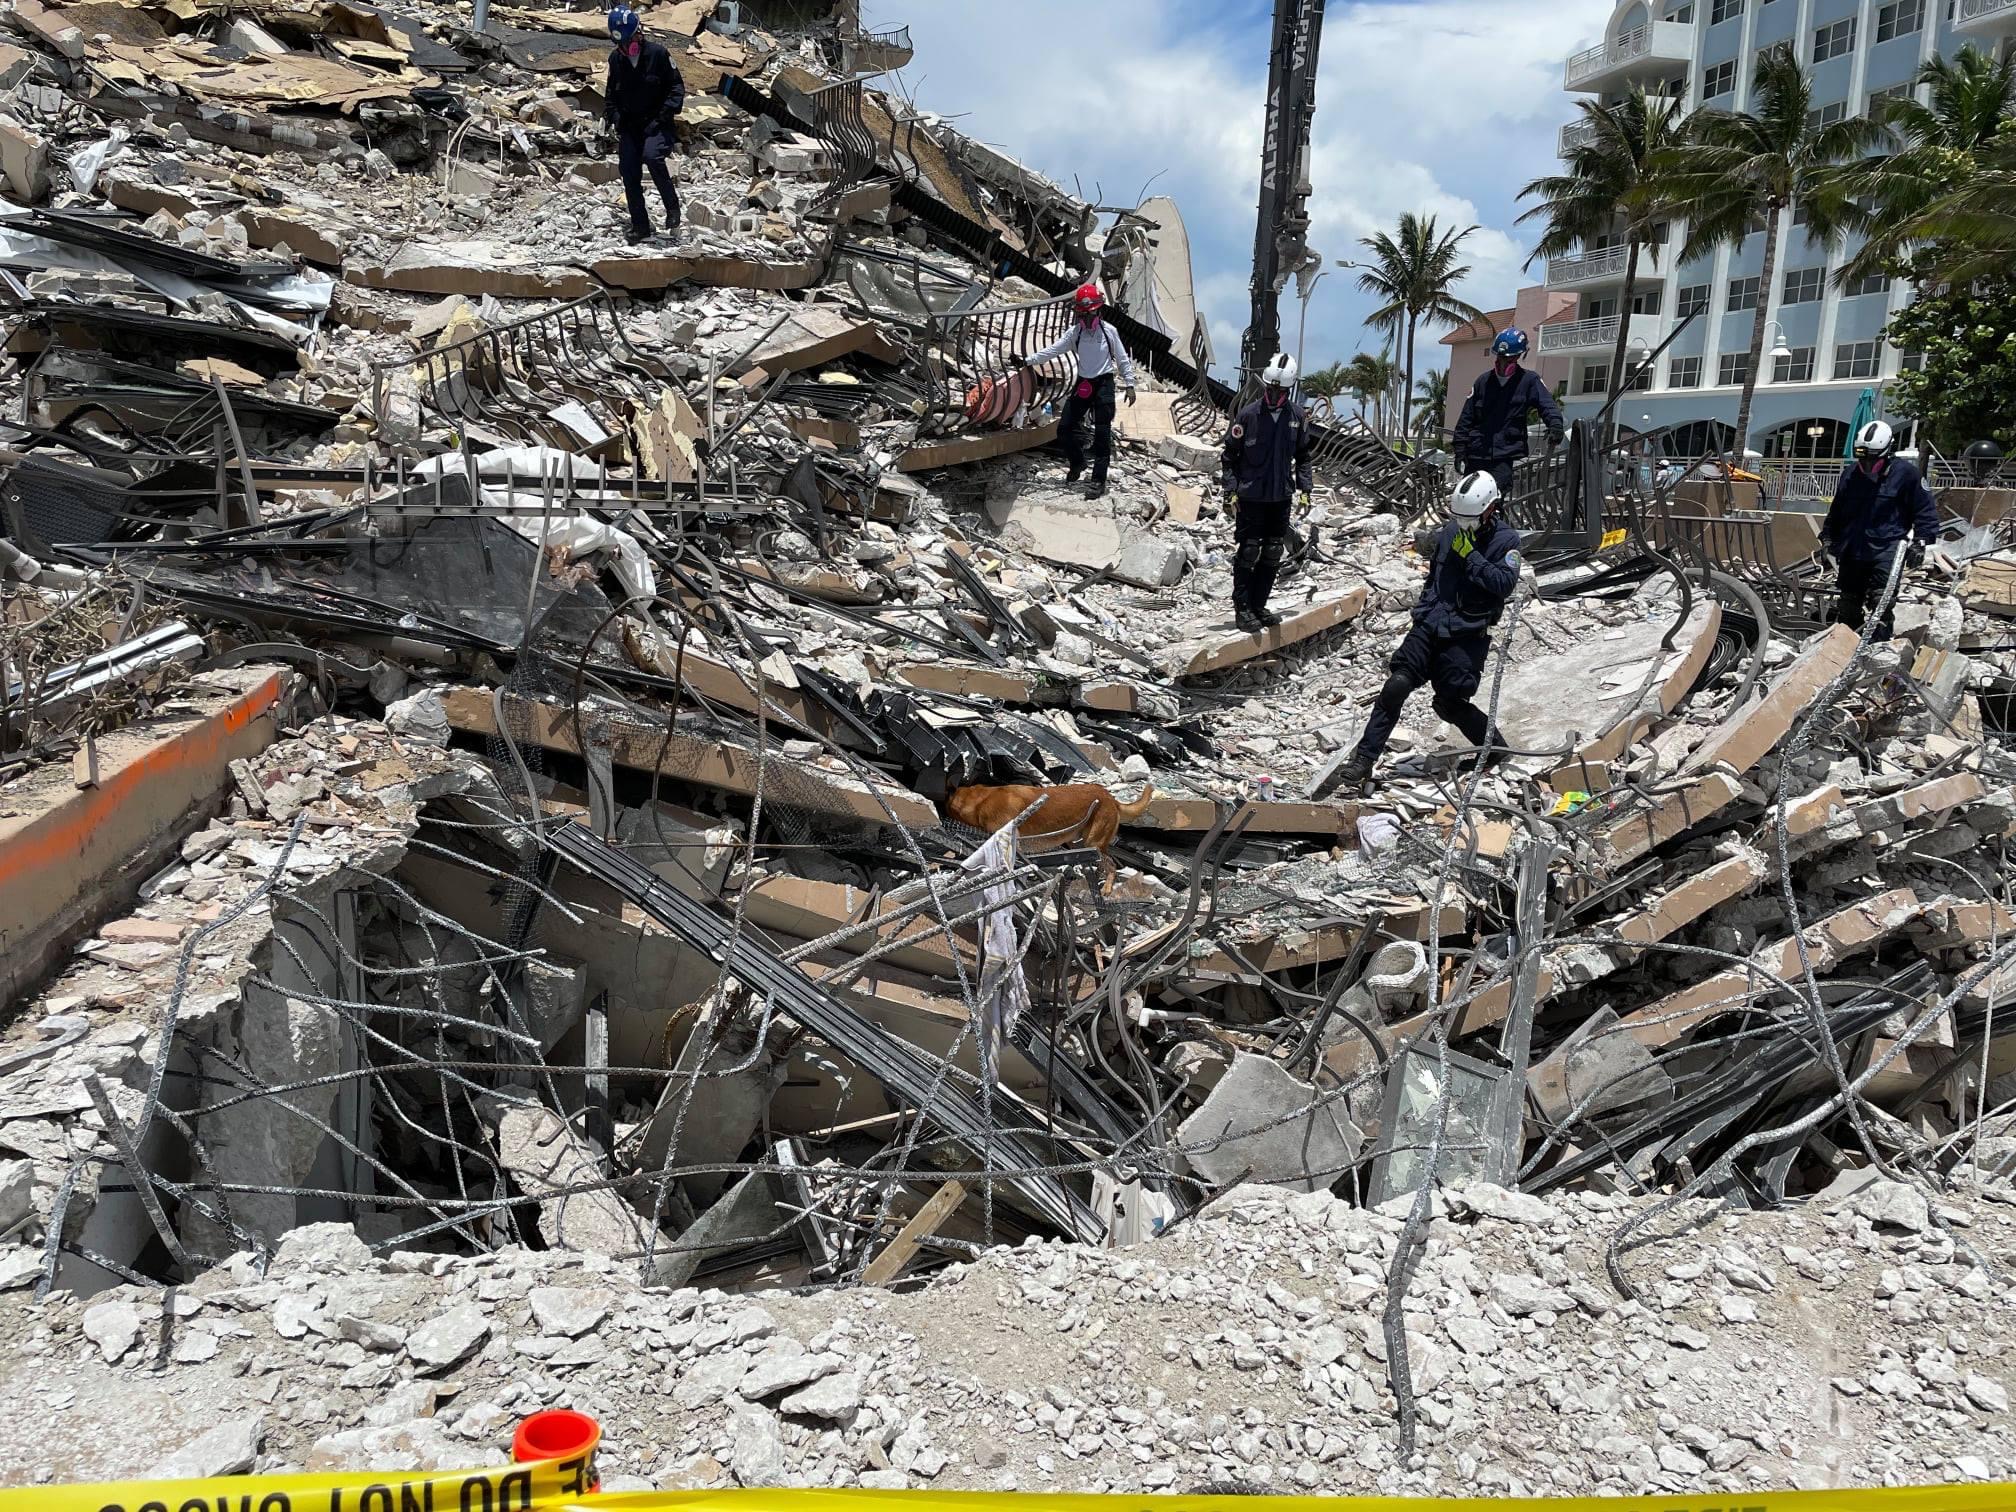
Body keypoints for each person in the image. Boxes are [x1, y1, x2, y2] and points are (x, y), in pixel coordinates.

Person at [1333, 471, 1522, 793]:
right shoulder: (1451, 530)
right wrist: (1425, 607)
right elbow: (1434, 575)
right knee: (1396, 686)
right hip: (1430, 623)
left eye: (1470, 519)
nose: (1463, 525)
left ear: (1492, 508)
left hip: (1466, 632)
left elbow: (1503, 585)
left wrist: (1472, 557)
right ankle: (1364, 760)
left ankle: (1495, 751)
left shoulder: (1507, 540)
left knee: (1449, 703)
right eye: (1458, 518)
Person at [1013, 284, 1137, 499]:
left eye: (1089, 314)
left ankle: (1097, 481)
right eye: (1082, 315)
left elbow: (1122, 358)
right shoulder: (1075, 333)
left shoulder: (1109, 332)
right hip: (1084, 383)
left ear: (1098, 311)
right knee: (1064, 429)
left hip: (1104, 384)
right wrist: (1027, 360)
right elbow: (1053, 350)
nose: (1086, 319)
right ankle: (1077, 463)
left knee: (1102, 434)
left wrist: (1130, 384)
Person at [1820, 419, 1939, 641]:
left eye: (1871, 460)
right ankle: (1845, 650)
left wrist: (1921, 541)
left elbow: (1925, 511)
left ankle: (1878, 651)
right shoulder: (1851, 474)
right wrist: (1828, 540)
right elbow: (1837, 511)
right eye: (1862, 459)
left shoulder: (1907, 475)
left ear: (1886, 453)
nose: (1866, 465)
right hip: (1853, 550)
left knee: (1881, 604)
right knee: (1847, 604)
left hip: (1885, 551)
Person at [1220, 351, 1313, 633]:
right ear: (1265, 385)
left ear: (1289, 388)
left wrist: (1305, 489)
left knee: (1273, 551)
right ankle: (1243, 607)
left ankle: (1259, 605)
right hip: (1251, 497)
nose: (1274, 395)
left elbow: (1304, 456)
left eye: (1280, 390)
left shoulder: (1297, 417)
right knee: (1249, 550)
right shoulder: (1248, 416)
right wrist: (1230, 490)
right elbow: (1229, 457)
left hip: (1280, 496)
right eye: (1270, 388)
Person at [603, 5, 684, 245]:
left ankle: (673, 209)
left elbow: (676, 89)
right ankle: (641, 226)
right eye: (620, 44)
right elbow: (610, 96)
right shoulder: (616, 60)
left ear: (638, 34)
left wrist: (661, 119)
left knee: (653, 157)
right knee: (628, 172)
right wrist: (616, 119)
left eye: (629, 41)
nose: (626, 48)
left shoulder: (659, 55)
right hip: (630, 125)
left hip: (657, 124)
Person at [1452, 328, 1564, 495]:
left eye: (1508, 358)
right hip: (1476, 454)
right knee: (1468, 499)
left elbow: (1547, 406)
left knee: (1495, 501)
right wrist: (1460, 449)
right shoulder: (1483, 381)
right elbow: (1466, 418)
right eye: (1500, 357)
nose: (1503, 362)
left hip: (1503, 456)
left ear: (1519, 356)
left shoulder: (1529, 381)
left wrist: (1555, 425)